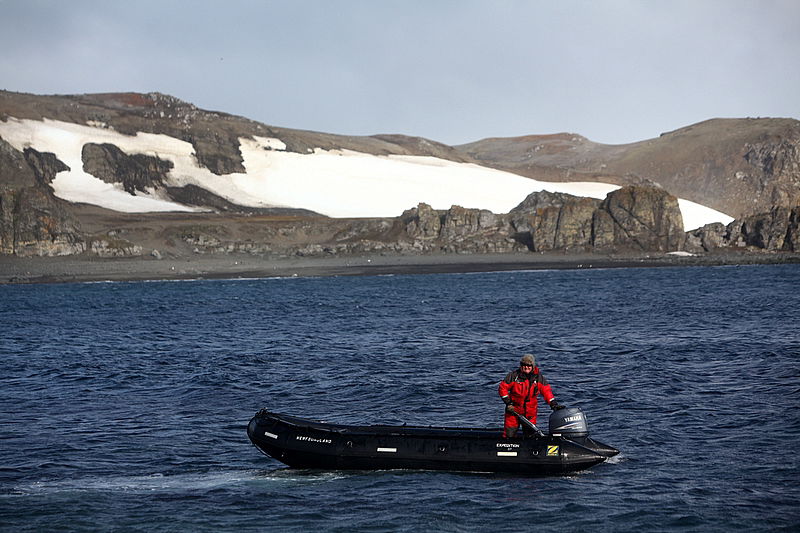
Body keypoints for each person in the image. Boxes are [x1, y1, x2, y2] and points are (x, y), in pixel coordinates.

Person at [499, 354, 565, 437]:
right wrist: (508, 403)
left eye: (529, 365)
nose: (526, 367)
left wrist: (553, 403)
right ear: (521, 366)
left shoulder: (538, 378)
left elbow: (546, 391)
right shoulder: (513, 376)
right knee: (509, 434)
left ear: (533, 366)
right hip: (514, 411)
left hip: (530, 412)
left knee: (530, 435)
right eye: (524, 365)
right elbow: (502, 388)